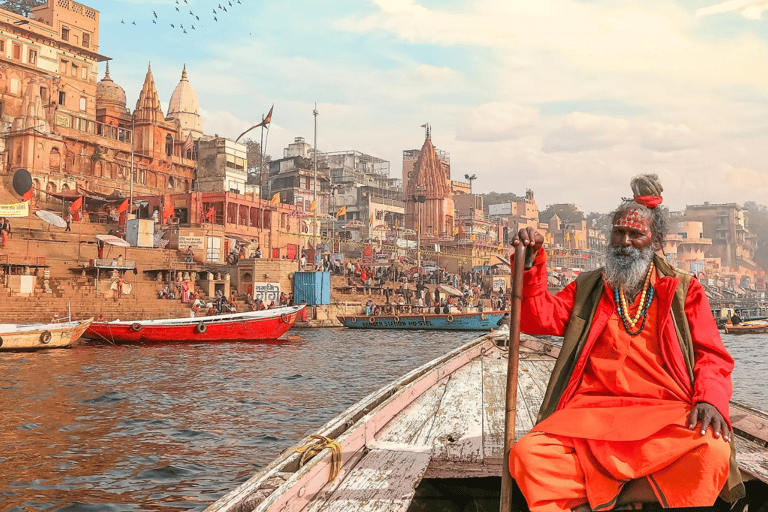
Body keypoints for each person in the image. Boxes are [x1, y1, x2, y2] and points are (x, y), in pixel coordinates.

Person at [509, 174, 743, 512]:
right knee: (528, 456)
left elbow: (712, 355)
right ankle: (637, 492)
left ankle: (611, 497)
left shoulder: (682, 289)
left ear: (655, 240)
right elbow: (536, 319)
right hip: (589, 415)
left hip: (663, 415)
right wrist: (530, 263)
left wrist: (709, 399)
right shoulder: (589, 287)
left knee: (713, 452)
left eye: (636, 234)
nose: (626, 242)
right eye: (619, 232)